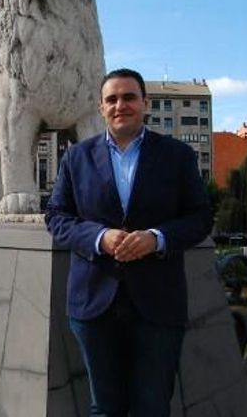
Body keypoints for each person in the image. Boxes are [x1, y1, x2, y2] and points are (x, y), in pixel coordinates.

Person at [46, 68, 212, 416]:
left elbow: (200, 217)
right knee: (105, 408)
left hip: (158, 305)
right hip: (94, 304)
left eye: (129, 97)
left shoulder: (177, 155)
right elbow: (57, 217)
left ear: (145, 103)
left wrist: (157, 239)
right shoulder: (76, 157)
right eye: (112, 99)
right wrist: (99, 237)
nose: (120, 105)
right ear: (101, 108)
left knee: (153, 407)